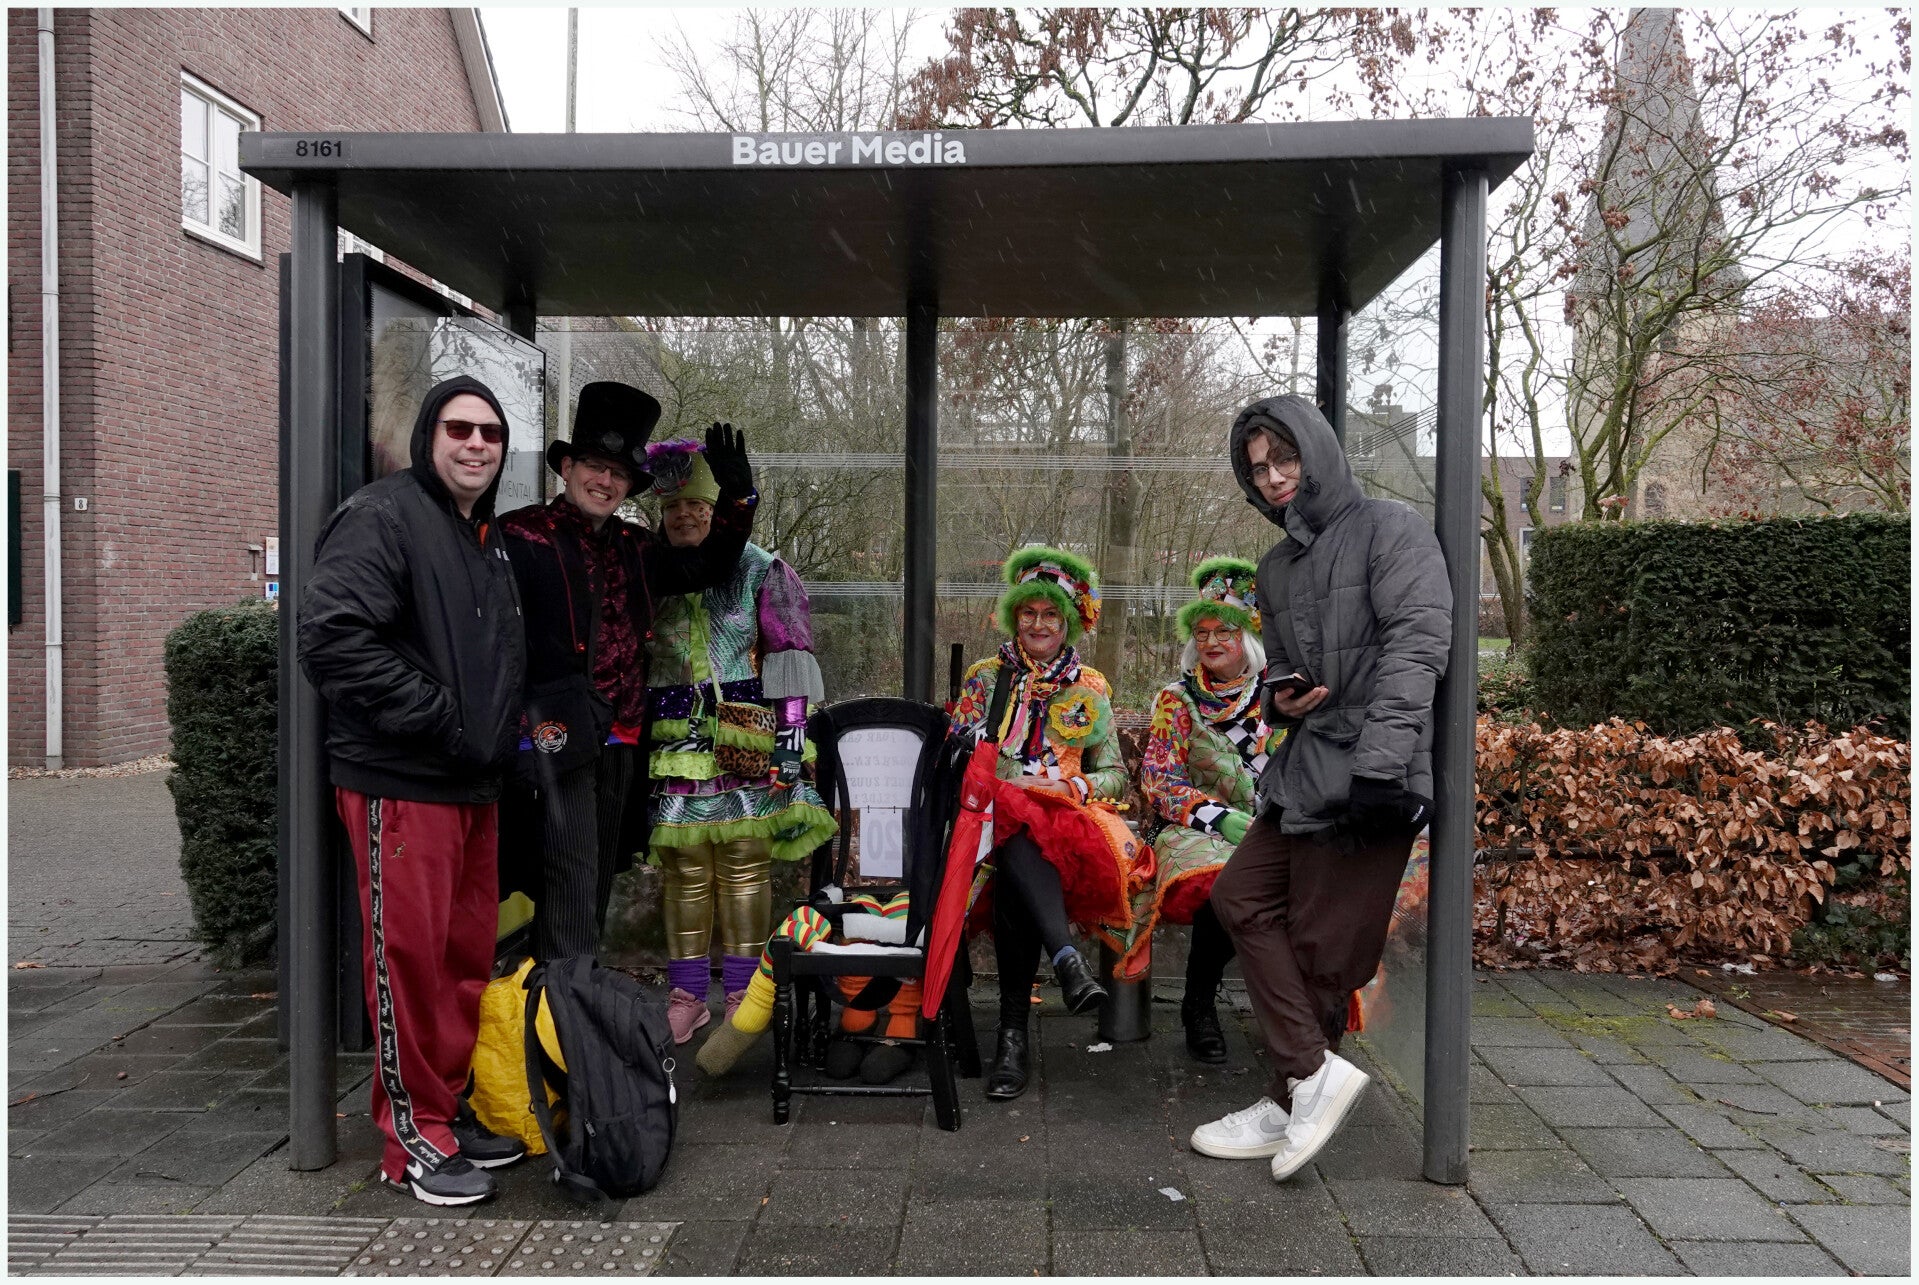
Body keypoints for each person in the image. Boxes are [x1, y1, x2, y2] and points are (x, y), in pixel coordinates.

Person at [1188, 394, 1450, 1182]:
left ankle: (1288, 1098)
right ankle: (1310, 1076)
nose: (1271, 478)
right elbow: (1285, 668)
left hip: (1375, 773)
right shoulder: (1276, 567)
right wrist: (1282, 697)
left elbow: (1416, 646)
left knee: (1323, 954)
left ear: (1317, 452)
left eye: (1283, 458)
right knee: (1238, 897)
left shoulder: (1391, 529)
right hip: (1308, 767)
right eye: (1256, 469)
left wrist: (1380, 768)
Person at [298, 376, 530, 1206]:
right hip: (401, 783)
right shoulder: (383, 516)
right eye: (460, 428)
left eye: (490, 434)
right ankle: (412, 1142)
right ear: (429, 434)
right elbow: (333, 638)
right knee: (408, 962)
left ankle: (443, 1106)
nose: (476, 444)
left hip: (469, 784)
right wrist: (444, 720)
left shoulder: (482, 534)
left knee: (462, 960)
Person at [497, 384, 759, 962]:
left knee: (594, 874)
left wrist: (738, 497)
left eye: (618, 473)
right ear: (567, 467)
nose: (605, 481)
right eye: (595, 465)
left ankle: (566, 989)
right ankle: (564, 995)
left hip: (621, 737)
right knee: (566, 871)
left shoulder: (637, 547)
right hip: (552, 737)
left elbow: (709, 564)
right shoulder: (518, 537)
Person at [640, 439, 837, 1044]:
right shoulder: (646, 568)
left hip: (745, 728)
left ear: (718, 507)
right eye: (674, 507)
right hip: (674, 736)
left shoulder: (761, 568)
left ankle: (746, 994)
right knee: (684, 867)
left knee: (744, 862)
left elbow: (790, 657)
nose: (685, 516)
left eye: (697, 505)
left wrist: (791, 741)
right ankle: (687, 995)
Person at [949, 546, 1152, 1101]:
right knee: (1016, 837)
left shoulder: (1091, 686)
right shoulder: (985, 679)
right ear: (1014, 615)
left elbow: (1116, 778)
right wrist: (998, 776)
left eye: (1051, 615)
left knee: (1026, 846)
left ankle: (1013, 1034)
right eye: (1029, 613)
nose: (1038, 625)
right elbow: (955, 760)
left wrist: (1070, 786)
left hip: (1066, 832)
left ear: (1068, 622)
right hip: (990, 825)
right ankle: (1064, 963)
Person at [1133, 557, 1284, 1064]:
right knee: (1222, 882)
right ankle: (1198, 1004)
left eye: (1225, 631)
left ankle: (1294, 1011)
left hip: (1273, 822)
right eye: (1202, 633)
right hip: (1194, 827)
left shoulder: (1280, 694)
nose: (1212, 642)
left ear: (1249, 637)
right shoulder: (1176, 700)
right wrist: (1217, 817)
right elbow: (1159, 780)